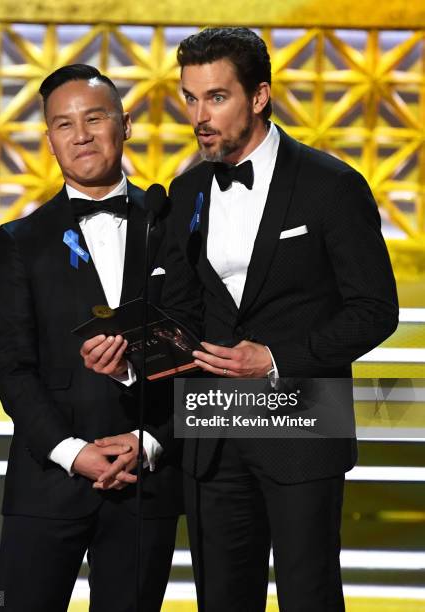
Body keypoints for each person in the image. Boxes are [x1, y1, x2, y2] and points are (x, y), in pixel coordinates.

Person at [162, 28, 399, 612]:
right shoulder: (187, 187)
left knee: (309, 595)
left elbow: (375, 310)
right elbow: (182, 308)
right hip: (211, 428)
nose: (199, 115)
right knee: (221, 599)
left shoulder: (332, 185)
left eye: (216, 97)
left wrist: (275, 358)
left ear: (260, 96)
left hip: (303, 422)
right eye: (190, 98)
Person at [0, 64, 181, 612]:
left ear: (125, 125)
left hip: (147, 481)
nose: (81, 135)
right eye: (63, 124)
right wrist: (73, 454)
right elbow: (11, 365)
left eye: (94, 118)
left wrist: (151, 442)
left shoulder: (173, 225)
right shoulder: (22, 242)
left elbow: (198, 352)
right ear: (50, 139)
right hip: (46, 482)